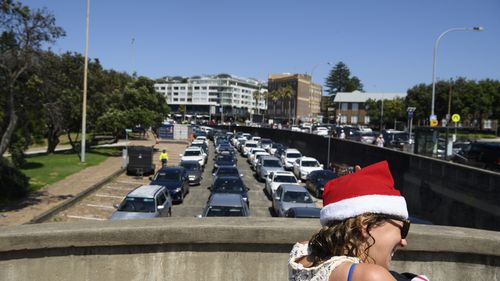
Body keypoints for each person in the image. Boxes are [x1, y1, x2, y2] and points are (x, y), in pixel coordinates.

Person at [288, 161, 429, 281]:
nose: (404, 242)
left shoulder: (303, 252)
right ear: (365, 224)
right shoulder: (371, 276)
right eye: (403, 228)